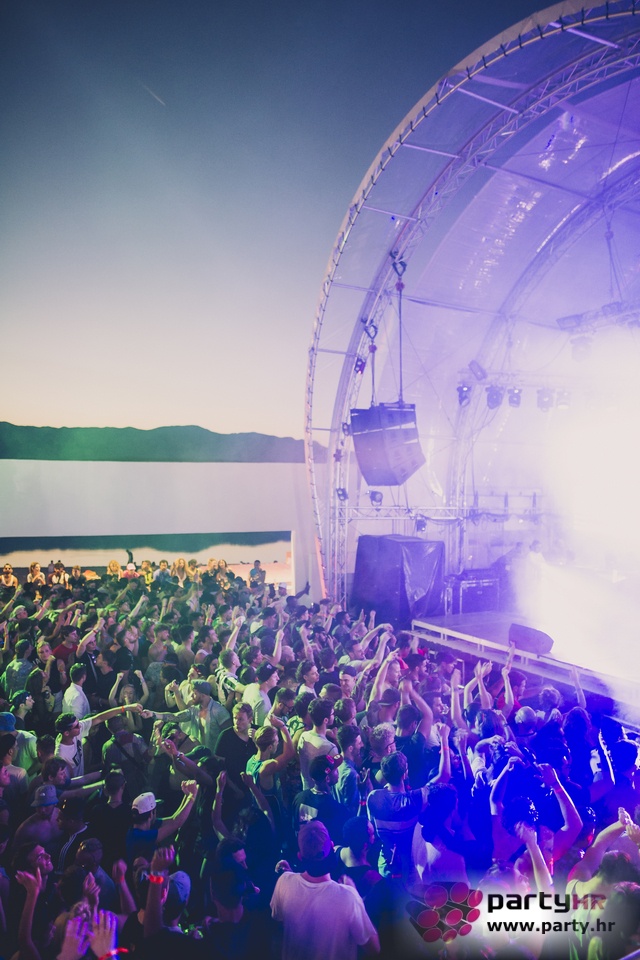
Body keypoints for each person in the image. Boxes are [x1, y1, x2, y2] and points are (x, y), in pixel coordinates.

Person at [270, 820, 378, 960]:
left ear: (300, 856)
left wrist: (290, 875)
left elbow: (281, 921)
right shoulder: (348, 896)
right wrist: (356, 897)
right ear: (332, 847)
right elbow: (374, 948)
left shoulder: (284, 882)